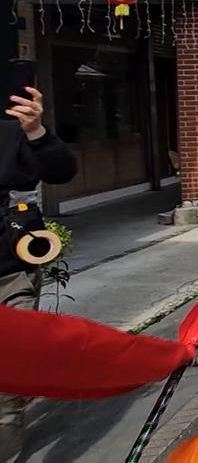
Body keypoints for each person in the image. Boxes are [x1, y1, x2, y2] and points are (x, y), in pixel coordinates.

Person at [1, 86, 76, 463]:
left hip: (10, 271)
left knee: (5, 380)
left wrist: (36, 131)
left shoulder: (13, 123)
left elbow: (62, 169)